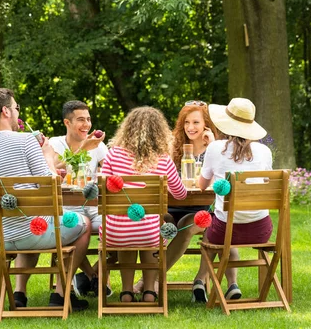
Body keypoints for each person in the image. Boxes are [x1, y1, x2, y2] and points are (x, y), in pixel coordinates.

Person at [0, 88, 91, 311]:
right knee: (84, 223)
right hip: (36, 231)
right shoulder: (25, 141)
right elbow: (50, 185)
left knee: (27, 220)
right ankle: (60, 296)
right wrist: (46, 153)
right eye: (16, 108)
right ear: (6, 111)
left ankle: (19, 294)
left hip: (2, 237)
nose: (18, 113)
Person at [100, 106, 187, 303]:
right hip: (149, 233)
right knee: (152, 228)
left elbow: (101, 188)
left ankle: (126, 292)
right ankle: (149, 292)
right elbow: (180, 194)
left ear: (127, 129)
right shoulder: (163, 160)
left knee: (128, 231)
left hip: (115, 233)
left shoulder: (113, 155)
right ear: (160, 132)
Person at [133, 100, 219, 294]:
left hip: (201, 210)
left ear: (206, 124)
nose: (190, 127)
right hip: (171, 207)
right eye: (186, 122)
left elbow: (216, 182)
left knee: (186, 227)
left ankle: (155, 278)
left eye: (196, 122)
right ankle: (148, 280)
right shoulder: (174, 146)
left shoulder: (214, 149)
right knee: (156, 222)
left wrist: (213, 145)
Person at [192, 97, 273, 303]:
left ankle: (201, 281)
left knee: (215, 233)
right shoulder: (264, 151)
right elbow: (266, 183)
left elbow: (201, 185)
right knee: (228, 226)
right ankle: (231, 285)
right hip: (261, 230)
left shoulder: (215, 148)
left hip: (225, 230)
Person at [49, 100, 110, 297]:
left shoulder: (97, 146)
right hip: (67, 207)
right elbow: (54, 167)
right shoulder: (55, 144)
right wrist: (83, 147)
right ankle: (93, 276)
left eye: (89, 119)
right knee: (75, 230)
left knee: (118, 230)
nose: (87, 124)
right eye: (81, 120)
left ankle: (86, 277)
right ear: (67, 122)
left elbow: (112, 170)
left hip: (94, 206)